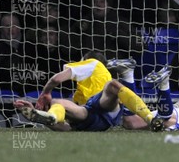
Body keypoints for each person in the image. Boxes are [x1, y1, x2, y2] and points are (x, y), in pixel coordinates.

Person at [14, 51, 156, 131]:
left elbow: (57, 79)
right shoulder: (79, 94)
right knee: (112, 86)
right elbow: (69, 129)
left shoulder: (94, 63)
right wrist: (36, 114)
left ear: (85, 60)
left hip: (98, 108)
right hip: (102, 120)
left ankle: (53, 115)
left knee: (111, 86)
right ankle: (50, 117)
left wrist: (46, 92)